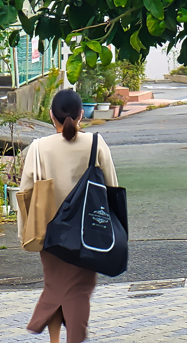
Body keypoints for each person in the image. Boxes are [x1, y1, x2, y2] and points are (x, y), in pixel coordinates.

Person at [17, 89, 119, 343]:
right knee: (79, 290)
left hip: (49, 230)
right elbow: (112, 187)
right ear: (81, 114)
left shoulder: (39, 148)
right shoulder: (95, 143)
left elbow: (25, 192)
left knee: (55, 285)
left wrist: (24, 233)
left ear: (52, 116)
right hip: (88, 231)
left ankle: (53, 340)